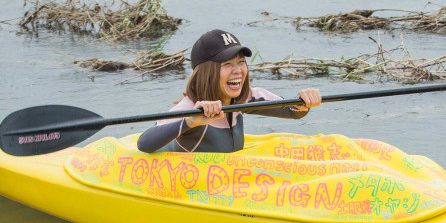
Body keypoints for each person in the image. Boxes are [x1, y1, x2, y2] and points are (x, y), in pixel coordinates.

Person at [137, 29, 322, 153]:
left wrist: (304, 101)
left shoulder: (243, 97)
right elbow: (144, 143)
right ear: (206, 72)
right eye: (227, 64)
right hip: (186, 188)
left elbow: (292, 111)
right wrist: (191, 121)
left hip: (224, 184)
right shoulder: (191, 107)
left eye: (241, 62)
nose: (238, 71)